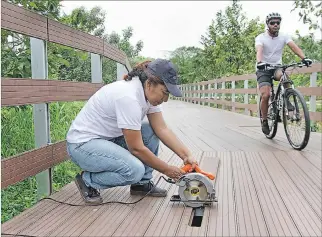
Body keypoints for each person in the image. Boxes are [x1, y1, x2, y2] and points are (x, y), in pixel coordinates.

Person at [66, 58, 198, 205]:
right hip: (83, 146)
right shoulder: (128, 97)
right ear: (149, 84)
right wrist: (167, 170)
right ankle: (87, 181)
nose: (166, 99)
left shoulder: (148, 94)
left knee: (150, 130)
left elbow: (162, 129)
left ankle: (141, 185)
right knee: (134, 170)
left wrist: (187, 156)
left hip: (108, 140)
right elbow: (136, 149)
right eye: (165, 92)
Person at [255, 12, 312, 135]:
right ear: (268, 24)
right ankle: (264, 120)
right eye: (272, 23)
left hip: (276, 67)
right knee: (266, 95)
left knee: (285, 76)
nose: (275, 25)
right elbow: (259, 50)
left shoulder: (284, 36)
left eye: (278, 23)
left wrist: (304, 58)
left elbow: (294, 47)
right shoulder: (261, 37)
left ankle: (288, 101)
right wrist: (260, 62)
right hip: (263, 68)